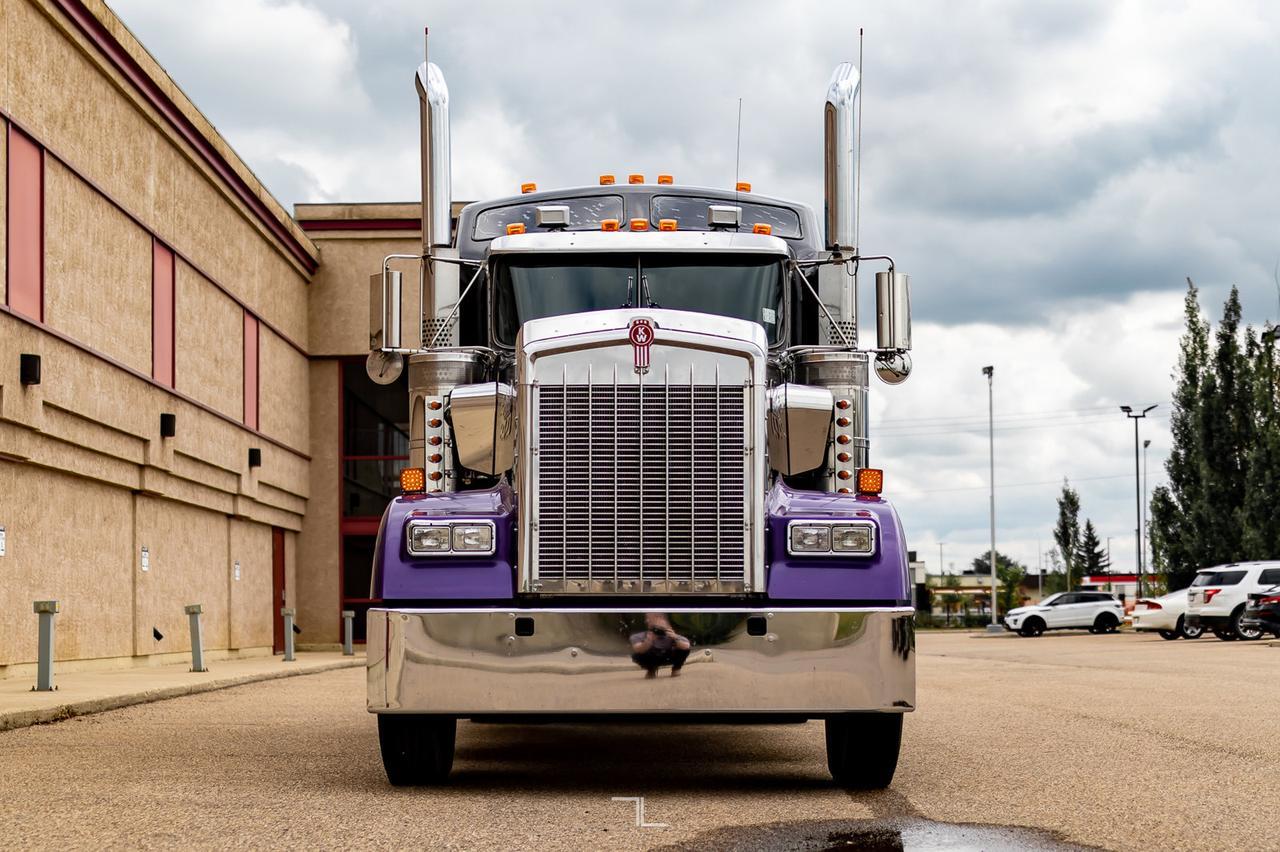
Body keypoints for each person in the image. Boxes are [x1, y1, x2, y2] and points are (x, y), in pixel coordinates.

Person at [629, 613, 692, 678]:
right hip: (653, 658)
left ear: (668, 625)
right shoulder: (640, 636)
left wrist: (675, 638)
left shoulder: (672, 635)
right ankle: (651, 669)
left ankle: (676, 668)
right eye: (655, 627)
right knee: (637, 655)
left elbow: (687, 647)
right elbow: (637, 650)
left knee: (684, 649)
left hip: (669, 657)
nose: (658, 629)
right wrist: (648, 641)